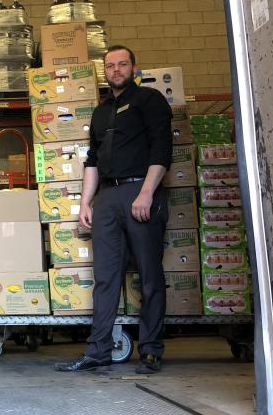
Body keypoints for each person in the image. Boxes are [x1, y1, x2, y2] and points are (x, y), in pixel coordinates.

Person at [54, 46, 173, 374]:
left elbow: (162, 148)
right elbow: (92, 160)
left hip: (140, 193)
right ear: (103, 71)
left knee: (149, 276)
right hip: (107, 199)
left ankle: (150, 349)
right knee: (105, 278)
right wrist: (84, 204)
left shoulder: (150, 100)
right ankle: (98, 350)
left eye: (122, 64)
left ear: (134, 67)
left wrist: (147, 193)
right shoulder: (101, 112)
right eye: (110, 66)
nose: (116, 69)